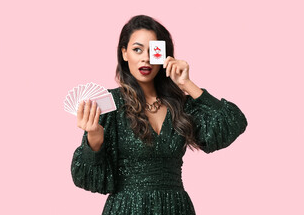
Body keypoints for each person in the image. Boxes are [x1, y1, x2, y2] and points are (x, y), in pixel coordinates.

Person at [71, 15, 248, 215]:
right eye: (137, 49)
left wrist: (187, 84)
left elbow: (233, 122)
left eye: (152, 50)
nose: (145, 58)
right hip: (126, 209)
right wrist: (94, 137)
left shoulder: (180, 104)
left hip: (176, 208)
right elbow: (87, 177)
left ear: (163, 55)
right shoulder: (108, 102)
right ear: (124, 53)